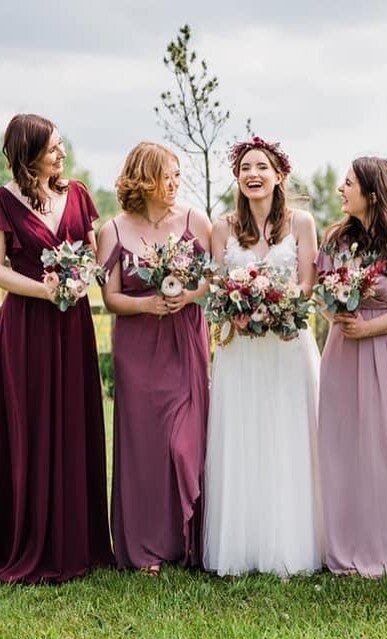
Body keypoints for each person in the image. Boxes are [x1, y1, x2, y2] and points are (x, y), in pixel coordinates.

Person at [0, 113, 113, 583]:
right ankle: (27, 539)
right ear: (27, 154)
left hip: (73, 327)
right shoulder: (3, 199)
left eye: (62, 145)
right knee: (29, 423)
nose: (61, 154)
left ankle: (78, 540)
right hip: (26, 324)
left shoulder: (79, 194)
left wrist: (81, 277)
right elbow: (0, 270)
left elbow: (93, 254)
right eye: (51, 148)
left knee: (72, 418)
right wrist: (45, 290)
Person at [202, 136, 322, 576]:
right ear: (237, 177)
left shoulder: (302, 223)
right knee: (244, 438)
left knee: (287, 437)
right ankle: (243, 544)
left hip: (288, 347)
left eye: (262, 168)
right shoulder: (223, 227)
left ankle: (291, 544)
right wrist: (236, 307)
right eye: (246, 168)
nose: (253, 175)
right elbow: (216, 283)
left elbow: (308, 284)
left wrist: (277, 304)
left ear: (279, 176)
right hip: (241, 351)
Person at [97, 142, 211, 574]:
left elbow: (213, 279)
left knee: (183, 444)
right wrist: (146, 305)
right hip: (137, 349)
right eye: (169, 176)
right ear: (144, 178)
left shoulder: (194, 221)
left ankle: (189, 539)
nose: (175, 184)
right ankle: (145, 548)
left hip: (184, 343)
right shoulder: (114, 229)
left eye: (179, 176)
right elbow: (110, 297)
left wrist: (188, 295)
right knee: (143, 449)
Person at [316, 156, 387, 577]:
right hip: (342, 352)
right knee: (342, 446)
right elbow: (322, 294)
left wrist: (370, 328)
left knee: (384, 447)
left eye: (347, 183)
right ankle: (343, 545)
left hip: (385, 351)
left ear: (372, 192)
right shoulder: (334, 239)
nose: (340, 190)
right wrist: (338, 317)